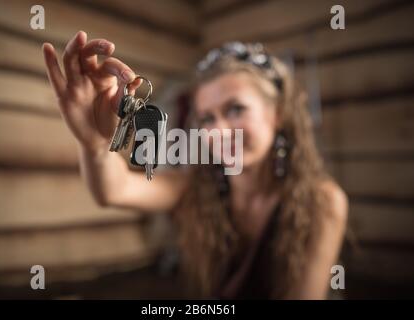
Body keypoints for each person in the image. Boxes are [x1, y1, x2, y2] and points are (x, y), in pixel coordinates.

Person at [42, 31, 348, 299]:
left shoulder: (322, 202)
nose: (219, 132)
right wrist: (94, 144)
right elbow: (113, 190)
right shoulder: (193, 185)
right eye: (207, 118)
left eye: (236, 109)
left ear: (278, 114)